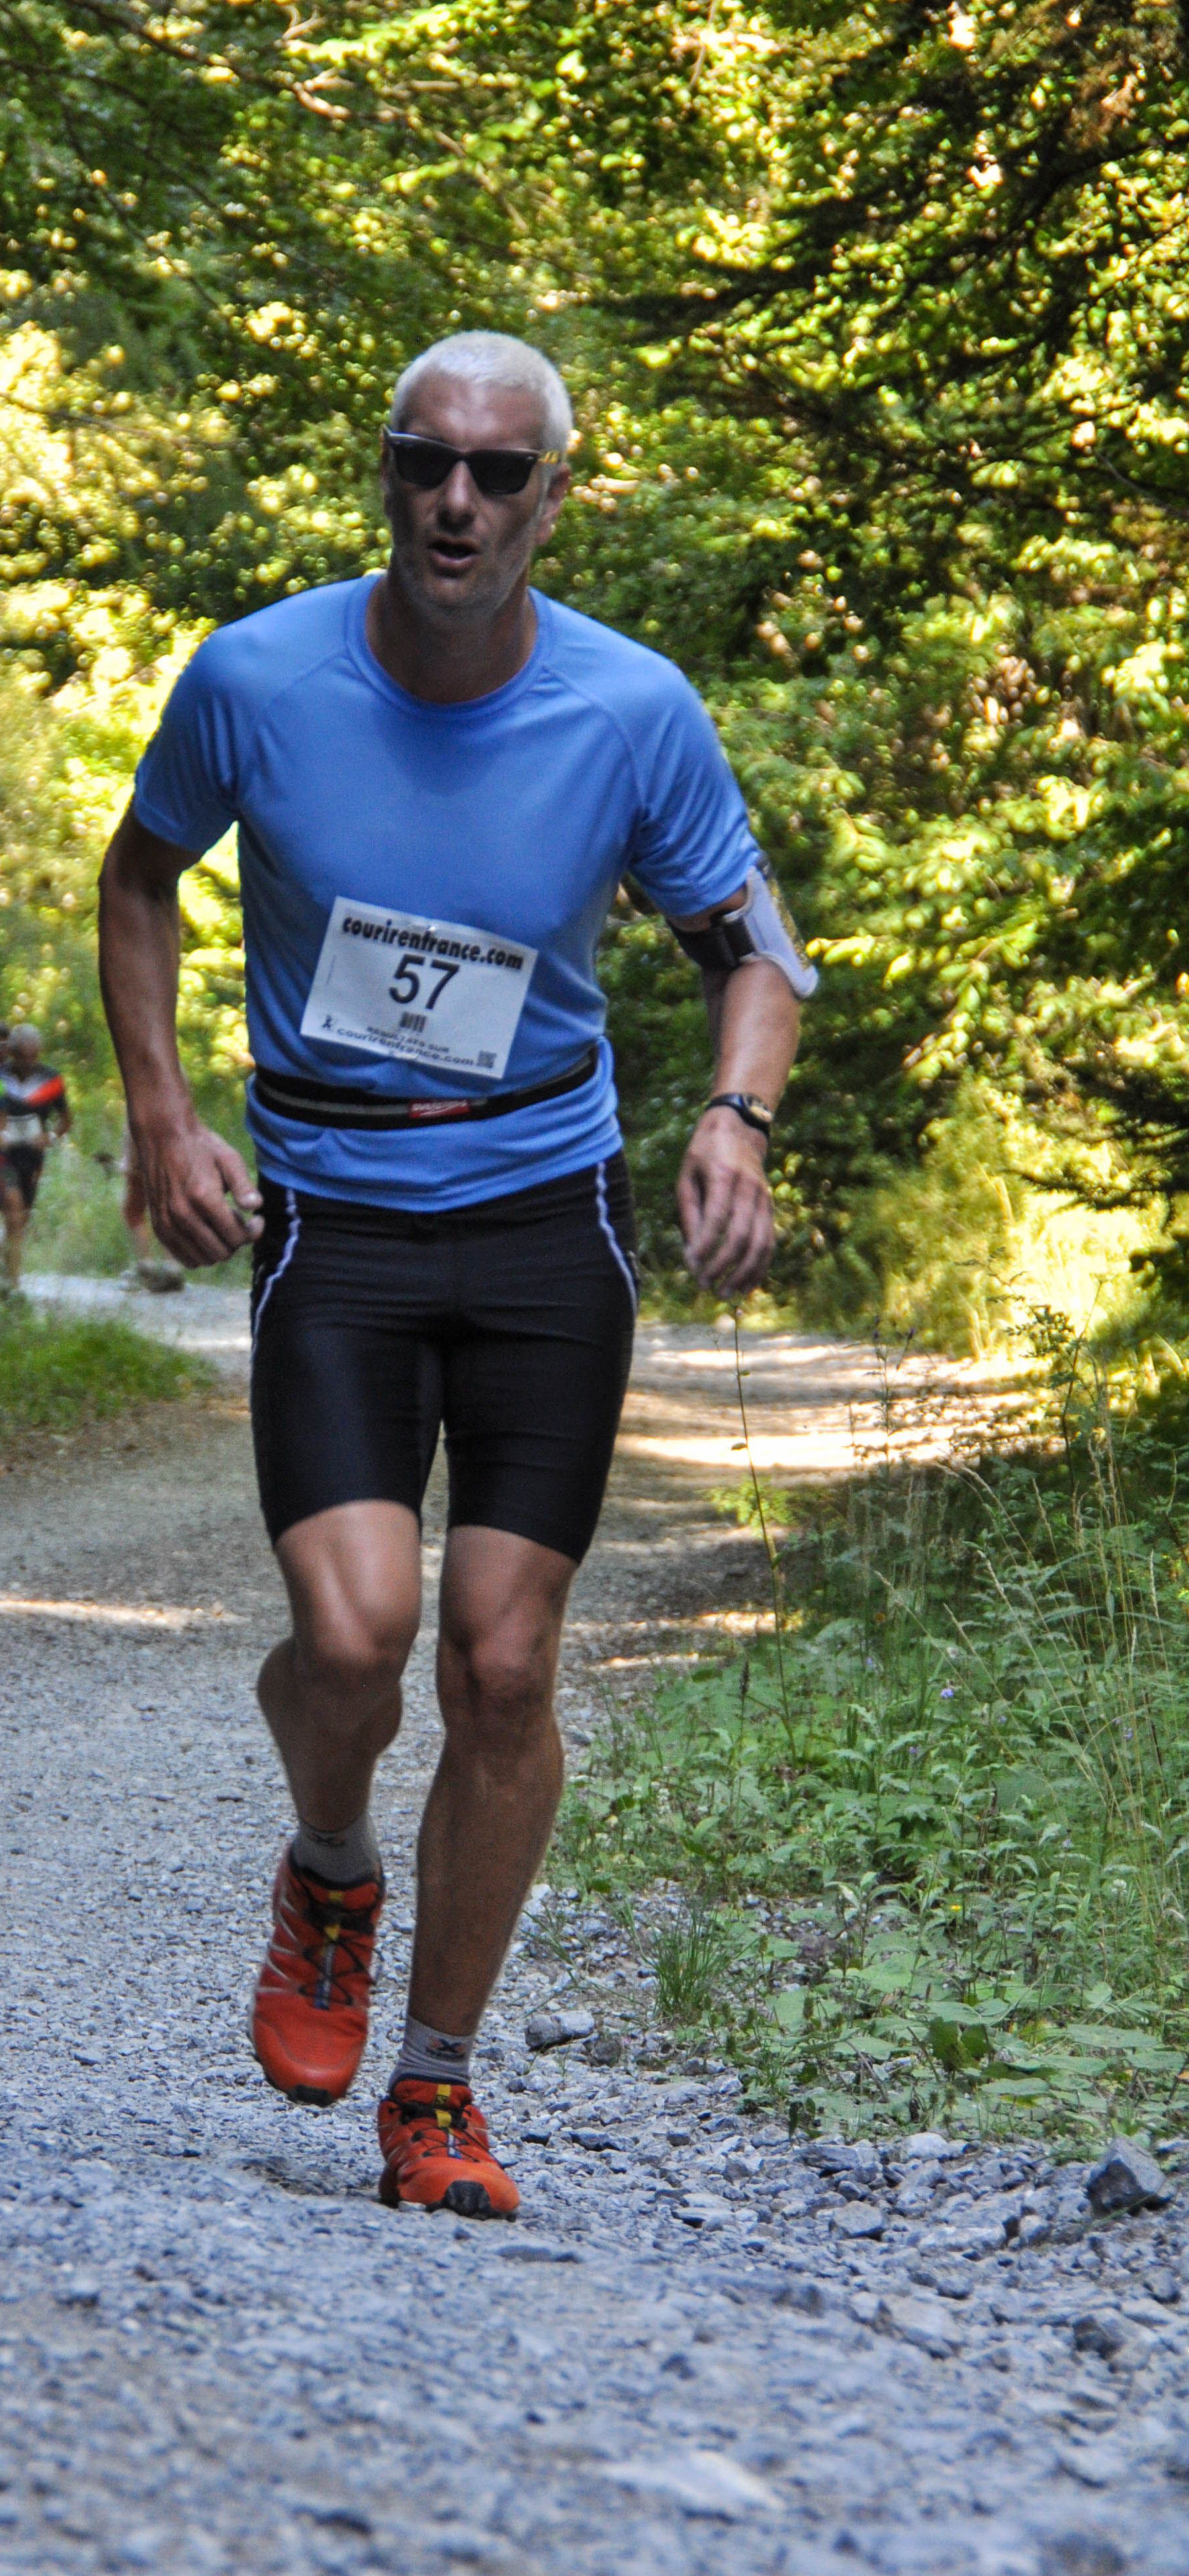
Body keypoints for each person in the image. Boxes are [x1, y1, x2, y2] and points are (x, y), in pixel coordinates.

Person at [98, 330, 811, 2219]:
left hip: (539, 1222)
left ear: (553, 498)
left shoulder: (628, 709)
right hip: (331, 1212)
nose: (457, 502)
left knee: (501, 1661)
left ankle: (435, 2086)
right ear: (387, 473)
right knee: (350, 1642)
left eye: (500, 473)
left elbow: (754, 948)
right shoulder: (257, 677)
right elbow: (140, 876)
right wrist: (164, 1115)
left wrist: (734, 1118)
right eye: (426, 462)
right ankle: (330, 1864)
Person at [0, 1023, 71, 1291]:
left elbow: (65, 1119)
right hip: (2, 1156)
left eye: (33, 1056)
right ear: (10, 1052)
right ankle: (12, 1285)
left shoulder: (51, 1079)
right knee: (13, 1210)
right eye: (22, 1056)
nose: (28, 1062)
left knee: (20, 1219)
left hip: (32, 1157)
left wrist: (51, 1137)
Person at [120, 1129, 186, 1293]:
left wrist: (129, 1162)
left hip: (142, 1164)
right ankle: (172, 1267)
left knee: (133, 1211)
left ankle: (146, 1267)